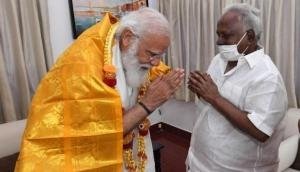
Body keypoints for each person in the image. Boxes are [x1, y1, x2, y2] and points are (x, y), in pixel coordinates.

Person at [15, 8, 184, 172]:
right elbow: (96, 135)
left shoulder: (133, 50)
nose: (156, 63)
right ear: (127, 38)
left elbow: (154, 72)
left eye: (160, 56)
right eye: (152, 54)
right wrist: (148, 103)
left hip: (131, 147)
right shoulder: (83, 67)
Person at [187, 3, 287, 172]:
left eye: (226, 36)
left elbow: (260, 131)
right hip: (198, 160)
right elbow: (209, 104)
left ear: (250, 36)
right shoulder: (219, 60)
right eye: (218, 34)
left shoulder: (268, 77)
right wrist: (200, 90)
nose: (219, 41)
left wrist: (215, 97)